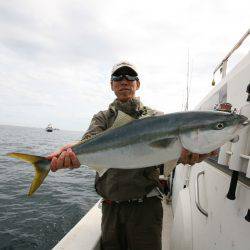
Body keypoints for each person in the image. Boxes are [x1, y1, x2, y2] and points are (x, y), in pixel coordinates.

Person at [48, 61, 216, 250]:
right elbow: (89, 141)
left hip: (146, 209)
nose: (124, 81)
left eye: (130, 77)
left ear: (138, 84)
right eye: (117, 77)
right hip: (111, 209)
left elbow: (165, 156)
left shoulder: (156, 118)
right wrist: (72, 152)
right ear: (111, 85)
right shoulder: (102, 118)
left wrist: (183, 157)